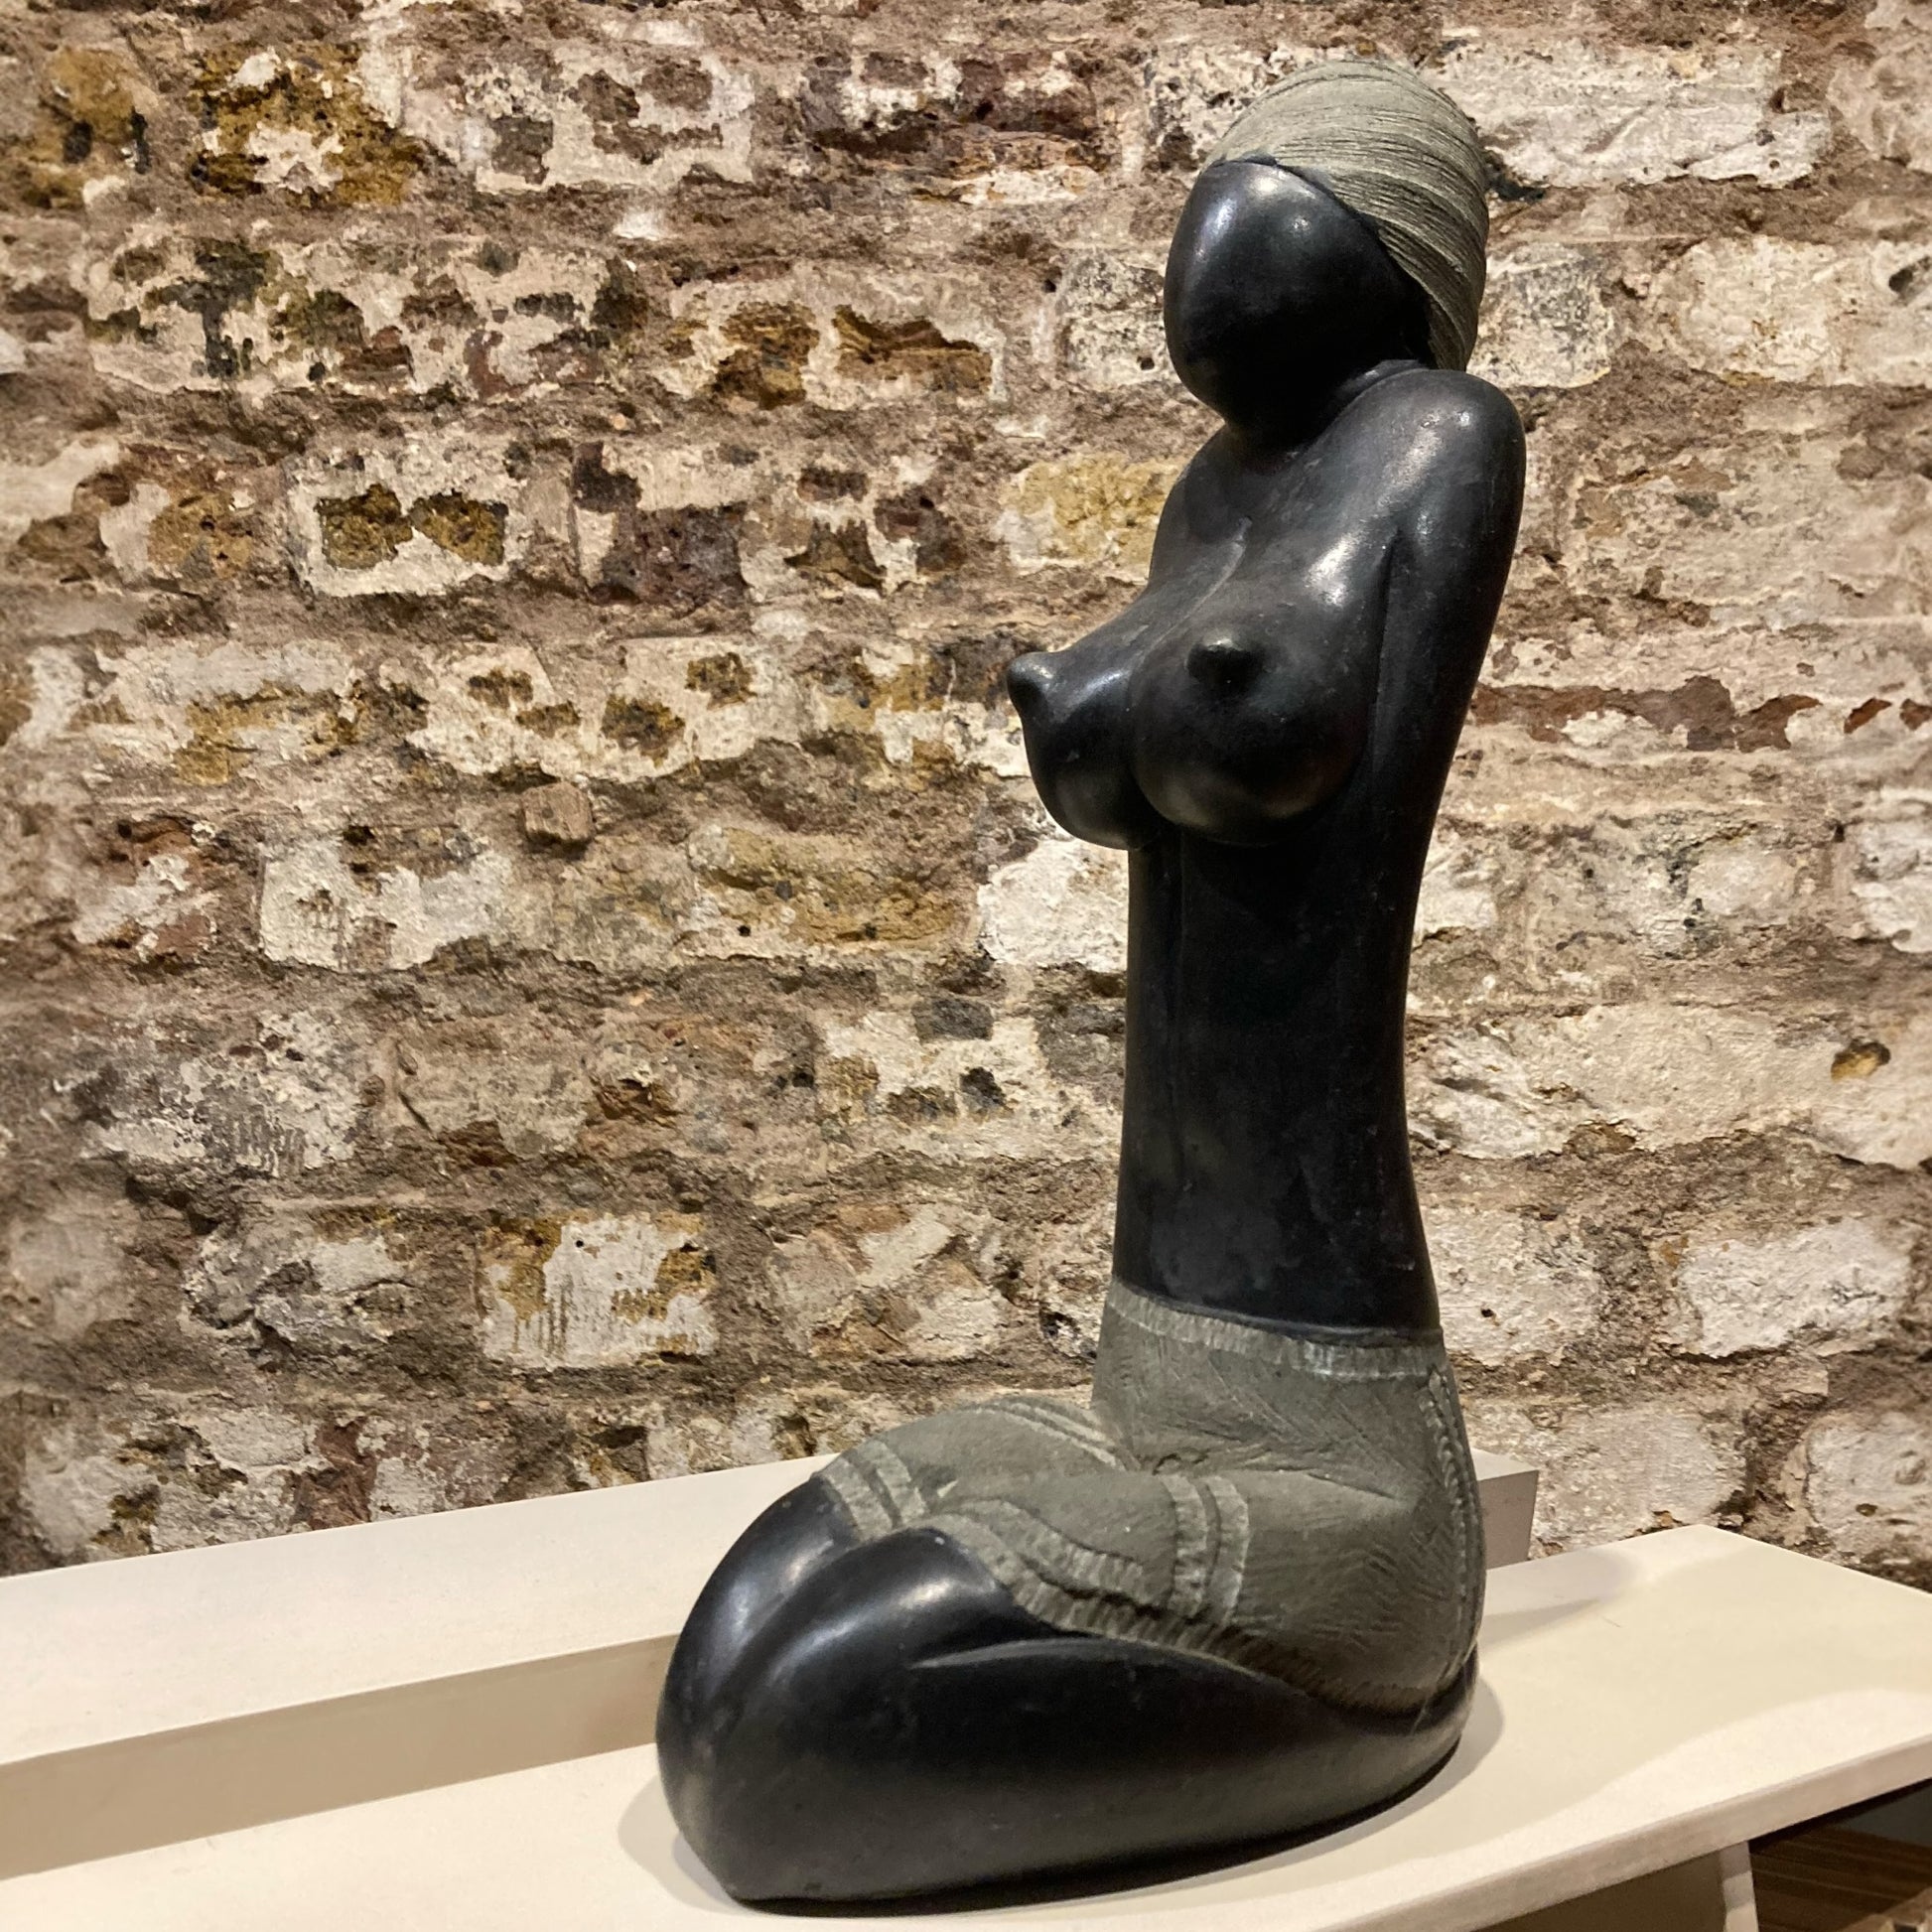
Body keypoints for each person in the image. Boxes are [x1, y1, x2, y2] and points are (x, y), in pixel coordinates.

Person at [658, 59, 1526, 1906]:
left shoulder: (1436, 439)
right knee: (734, 1660)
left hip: (1340, 1443)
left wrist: (1183, 696)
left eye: (1269, 198)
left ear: (1385, 251)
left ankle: (1386, 1651)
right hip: (1151, 1366)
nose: (1209, 250)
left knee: (791, 1742)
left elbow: (1274, 705)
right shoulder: (1213, 493)